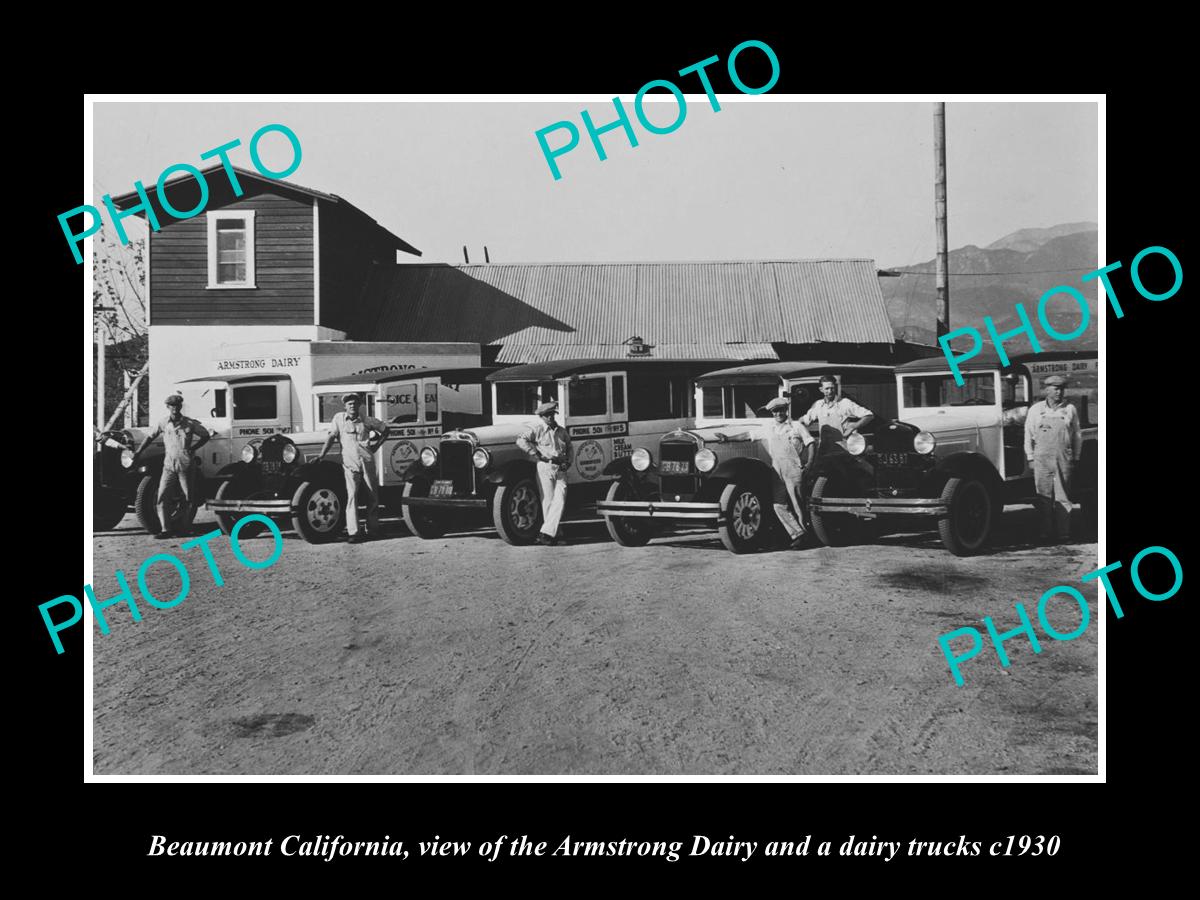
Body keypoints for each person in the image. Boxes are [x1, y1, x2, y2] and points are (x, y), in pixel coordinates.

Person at [715, 396, 814, 549]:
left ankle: (808, 535)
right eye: (775, 412)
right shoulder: (769, 428)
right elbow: (748, 435)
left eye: (780, 410)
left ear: (785, 411)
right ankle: (798, 534)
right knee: (778, 504)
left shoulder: (796, 426)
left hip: (793, 468)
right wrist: (727, 438)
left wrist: (809, 463)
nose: (778, 414)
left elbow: (810, 443)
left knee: (798, 503)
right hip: (777, 469)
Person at [131, 394, 210, 538]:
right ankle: (166, 529)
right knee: (162, 496)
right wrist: (138, 452)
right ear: (168, 407)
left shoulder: (190, 423)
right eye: (172, 405)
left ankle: (185, 528)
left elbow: (205, 435)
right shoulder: (163, 423)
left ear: (180, 406)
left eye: (177, 405)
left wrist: (193, 448)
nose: (175, 408)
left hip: (185, 464)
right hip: (168, 465)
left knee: (188, 498)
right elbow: (150, 437)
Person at [318, 393, 386, 543]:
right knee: (352, 497)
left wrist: (375, 447)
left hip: (367, 463)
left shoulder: (367, 420)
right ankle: (354, 532)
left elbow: (385, 430)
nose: (352, 406)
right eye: (349, 404)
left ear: (359, 405)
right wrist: (322, 455)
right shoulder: (339, 419)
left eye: (355, 403)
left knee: (372, 497)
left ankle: (373, 530)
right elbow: (331, 437)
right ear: (345, 406)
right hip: (350, 464)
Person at [1024, 374, 1082, 543]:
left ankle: (1064, 534)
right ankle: (1045, 534)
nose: (1059, 392)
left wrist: (1076, 457)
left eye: (1062, 389)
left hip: (1063, 458)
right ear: (1046, 390)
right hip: (1041, 458)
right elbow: (1028, 435)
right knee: (1043, 497)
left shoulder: (1070, 409)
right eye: (1056, 389)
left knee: (1063, 497)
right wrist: (1030, 458)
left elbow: (1077, 435)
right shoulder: (1036, 410)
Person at [516, 400, 572, 546]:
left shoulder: (561, 431)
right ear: (542, 417)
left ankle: (545, 533)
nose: (550, 417)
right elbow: (521, 440)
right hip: (545, 467)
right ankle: (555, 534)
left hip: (560, 468)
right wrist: (535, 453)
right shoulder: (538, 430)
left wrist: (569, 462)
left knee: (560, 499)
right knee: (547, 501)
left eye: (552, 414)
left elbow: (570, 447)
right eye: (547, 415)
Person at [796, 374, 874, 446]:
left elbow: (869, 415)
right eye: (827, 389)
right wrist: (794, 424)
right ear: (821, 389)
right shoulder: (818, 405)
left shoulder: (845, 403)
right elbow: (805, 420)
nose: (830, 391)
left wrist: (854, 426)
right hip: (824, 449)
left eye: (832, 388)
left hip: (842, 448)